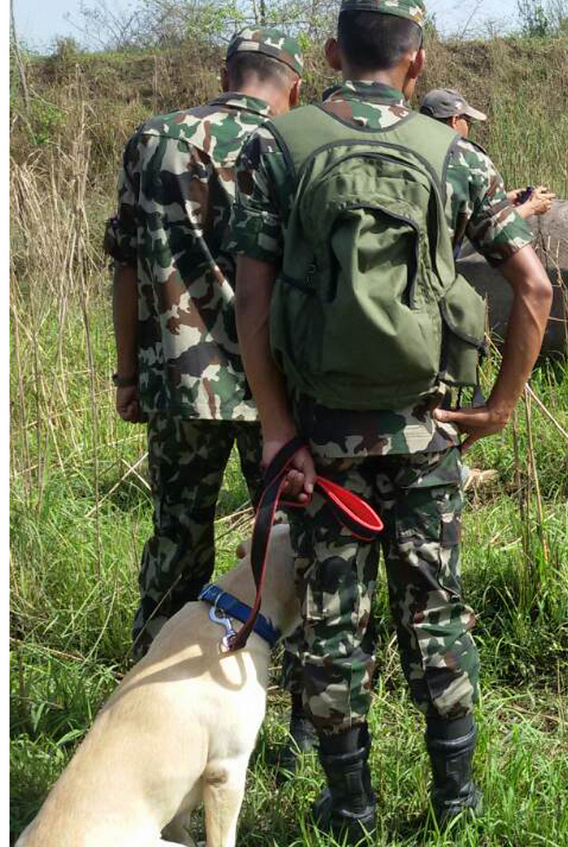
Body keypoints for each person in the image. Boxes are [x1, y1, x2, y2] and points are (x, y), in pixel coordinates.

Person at [231, 0, 553, 838]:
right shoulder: (454, 153)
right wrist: (499, 406)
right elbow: (535, 287)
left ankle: (349, 809)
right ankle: (456, 802)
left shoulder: (281, 145)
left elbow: (252, 301)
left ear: (334, 51)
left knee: (334, 625)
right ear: (417, 60)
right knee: (435, 612)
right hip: (427, 430)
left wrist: (275, 429)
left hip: (320, 443)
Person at [103, 28, 303, 662]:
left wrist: (127, 374)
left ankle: (150, 676)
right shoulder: (291, 145)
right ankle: (300, 701)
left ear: (227, 72)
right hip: (274, 386)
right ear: (292, 86)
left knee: (177, 538)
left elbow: (127, 266)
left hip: (178, 381)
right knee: (287, 539)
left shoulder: (153, 139)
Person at [419, 87, 556, 220]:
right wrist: (531, 207)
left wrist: (501, 200)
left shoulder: (408, 150)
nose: (468, 127)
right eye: (468, 121)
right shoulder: (468, 159)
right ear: (454, 121)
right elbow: (495, 231)